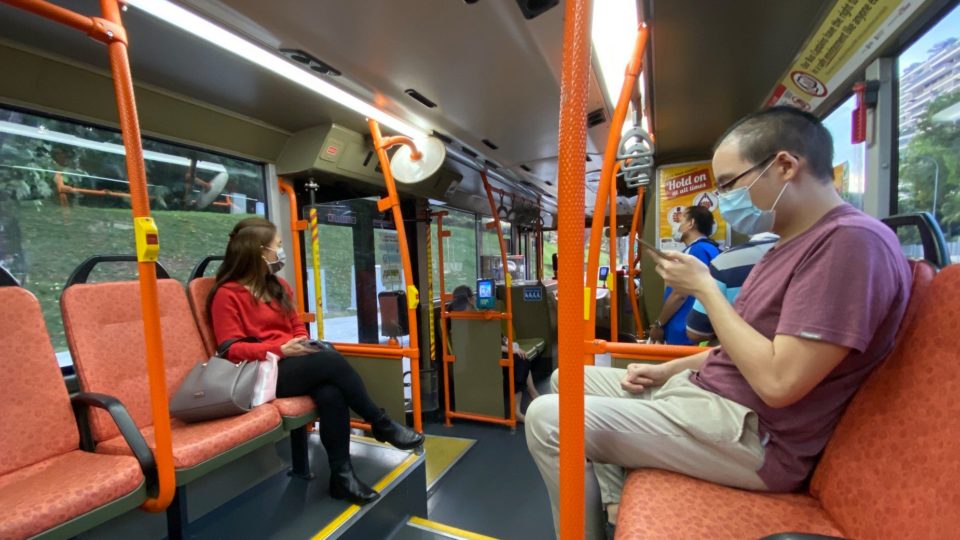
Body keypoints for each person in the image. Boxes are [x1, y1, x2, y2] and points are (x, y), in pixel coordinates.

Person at [525, 106, 912, 539]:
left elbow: (780, 382)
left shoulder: (851, 245)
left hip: (752, 434)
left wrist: (705, 288)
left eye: (730, 183)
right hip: (708, 398)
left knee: (546, 417)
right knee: (565, 379)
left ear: (784, 166)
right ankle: (614, 504)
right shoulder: (786, 246)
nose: (725, 199)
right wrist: (666, 368)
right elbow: (739, 347)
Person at [209, 217, 423, 506]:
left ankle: (342, 478)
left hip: (291, 362)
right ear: (259, 252)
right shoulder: (226, 295)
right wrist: (282, 349)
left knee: (331, 393)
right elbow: (230, 349)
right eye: (278, 246)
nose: (280, 252)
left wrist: (302, 342)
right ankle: (380, 423)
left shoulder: (278, 286)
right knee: (332, 363)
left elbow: (296, 325)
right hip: (260, 372)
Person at [448, 284, 541, 421]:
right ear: (469, 299)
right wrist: (512, 349)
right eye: (473, 296)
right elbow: (485, 345)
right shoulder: (466, 320)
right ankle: (518, 408)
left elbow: (493, 338)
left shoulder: (468, 316)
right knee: (520, 360)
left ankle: (532, 394)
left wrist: (510, 346)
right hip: (479, 357)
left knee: (520, 357)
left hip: (484, 352)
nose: (475, 299)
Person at [685, 232, 779, 344]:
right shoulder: (800, 253)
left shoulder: (725, 261)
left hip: (739, 354)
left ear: (691, 223)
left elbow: (696, 332)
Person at [648, 206, 720, 344]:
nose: (677, 227)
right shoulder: (712, 249)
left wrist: (659, 324)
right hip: (699, 329)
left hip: (684, 331)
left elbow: (680, 294)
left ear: (691, 224)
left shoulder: (696, 251)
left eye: (680, 221)